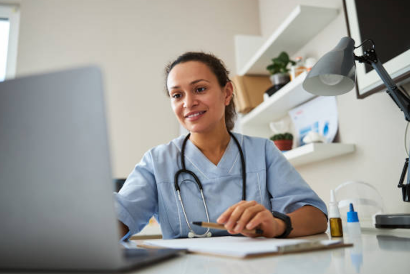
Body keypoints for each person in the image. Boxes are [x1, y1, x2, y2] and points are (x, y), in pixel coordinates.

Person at [115, 52, 328, 240]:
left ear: (226, 93)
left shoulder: (262, 151)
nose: (188, 103)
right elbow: (120, 218)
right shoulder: (157, 161)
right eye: (177, 95)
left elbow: (316, 217)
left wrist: (276, 224)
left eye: (199, 89)